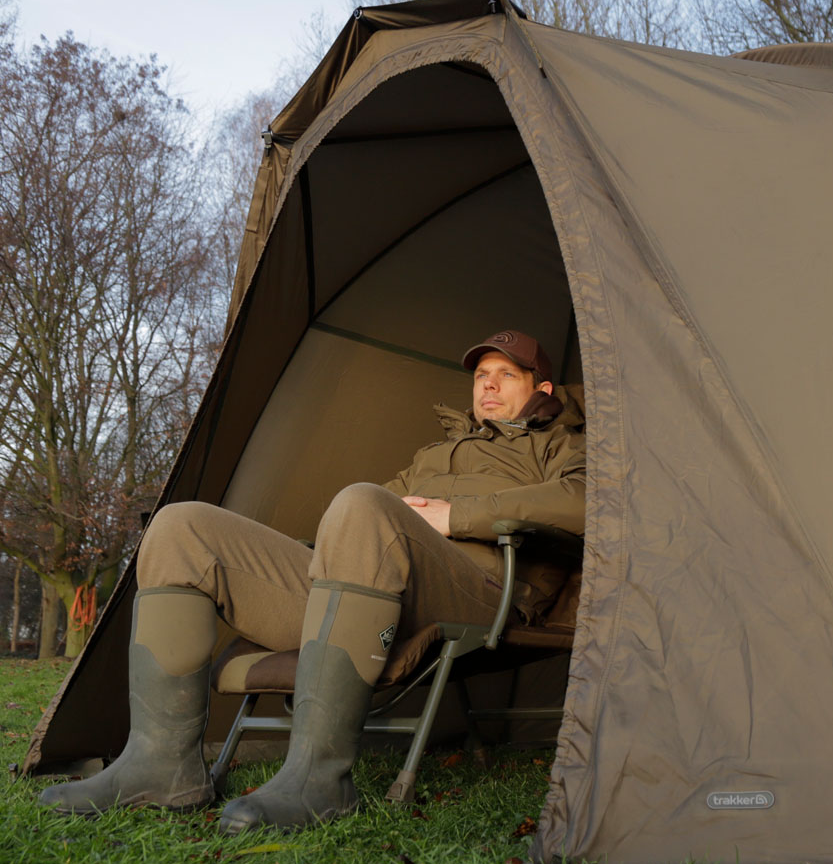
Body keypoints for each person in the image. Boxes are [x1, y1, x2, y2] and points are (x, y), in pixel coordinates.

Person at [39, 329, 585, 834]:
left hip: (481, 589)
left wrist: (453, 514)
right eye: (480, 375)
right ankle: (159, 766)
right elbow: (365, 515)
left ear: (541, 388)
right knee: (181, 527)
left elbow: (585, 503)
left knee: (363, 500)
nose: (487, 385)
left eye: (505, 375)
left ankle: (320, 780)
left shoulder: (563, 444)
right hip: (376, 585)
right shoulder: (435, 454)